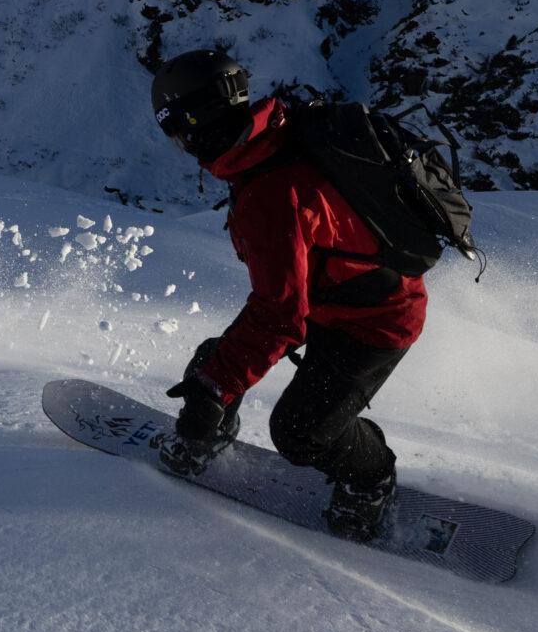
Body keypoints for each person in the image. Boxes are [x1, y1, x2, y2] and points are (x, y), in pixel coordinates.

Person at [147, 50, 425, 542]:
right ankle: (212, 427)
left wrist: (214, 392)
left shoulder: (270, 193)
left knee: (299, 432)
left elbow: (280, 316)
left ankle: (371, 478)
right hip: (330, 296)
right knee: (214, 363)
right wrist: (216, 383)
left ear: (194, 124)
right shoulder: (271, 135)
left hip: (376, 319)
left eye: (177, 133)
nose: (181, 146)